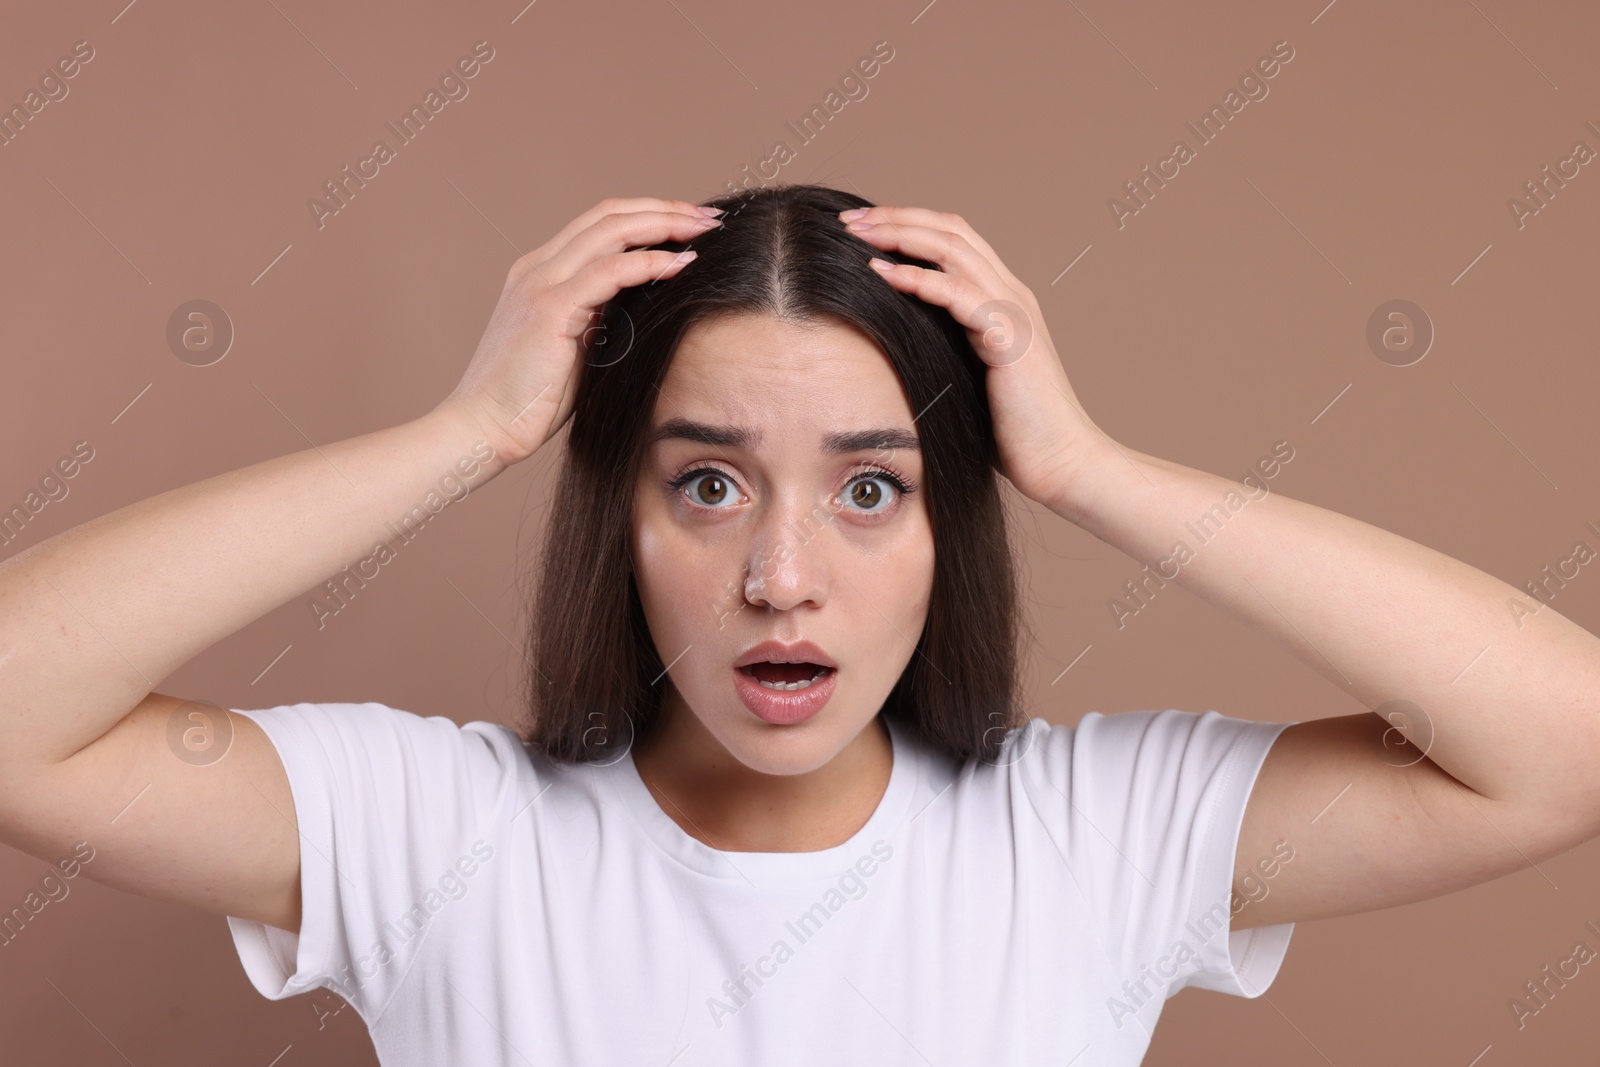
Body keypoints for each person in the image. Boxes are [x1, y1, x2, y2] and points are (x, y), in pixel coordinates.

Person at [1, 183, 1596, 1066]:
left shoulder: (1097, 836)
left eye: (870, 489)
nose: (782, 574)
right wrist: (466, 436)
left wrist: (1091, 471)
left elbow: (1563, 747)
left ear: (948, 524)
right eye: (705, 487)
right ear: (611, 521)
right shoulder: (437, 833)